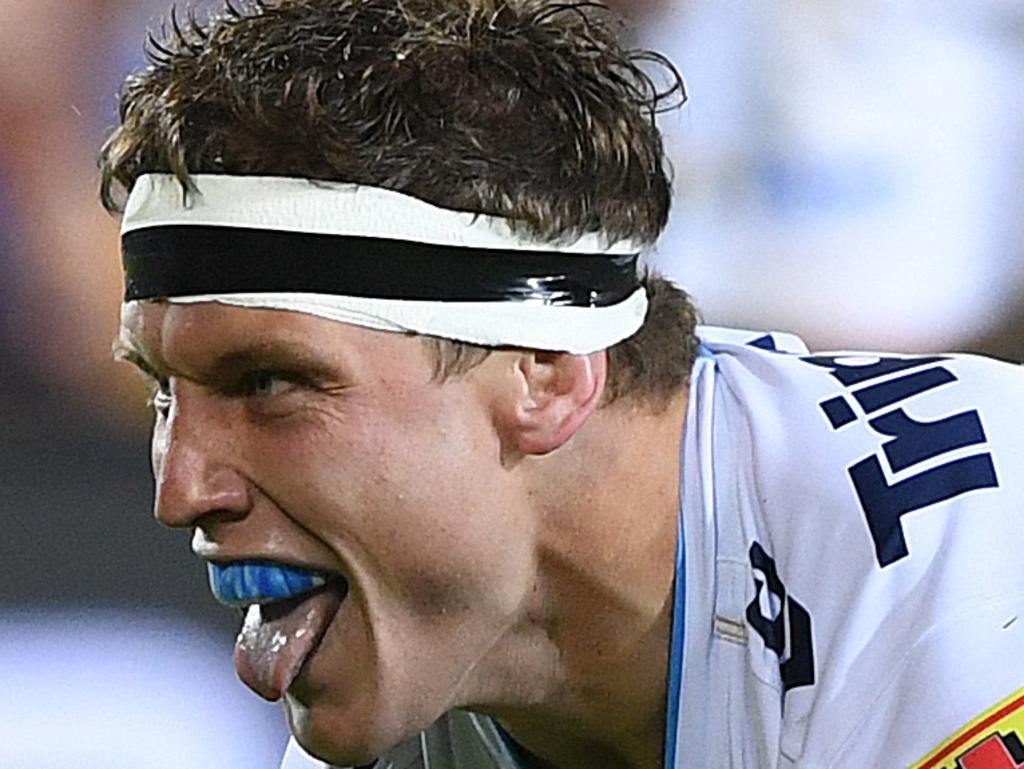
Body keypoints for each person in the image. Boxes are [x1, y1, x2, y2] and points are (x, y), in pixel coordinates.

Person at [101, 1, 1024, 767]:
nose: (181, 488)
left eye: (269, 383)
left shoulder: (960, 605)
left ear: (544, 373)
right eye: (164, 392)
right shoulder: (421, 674)